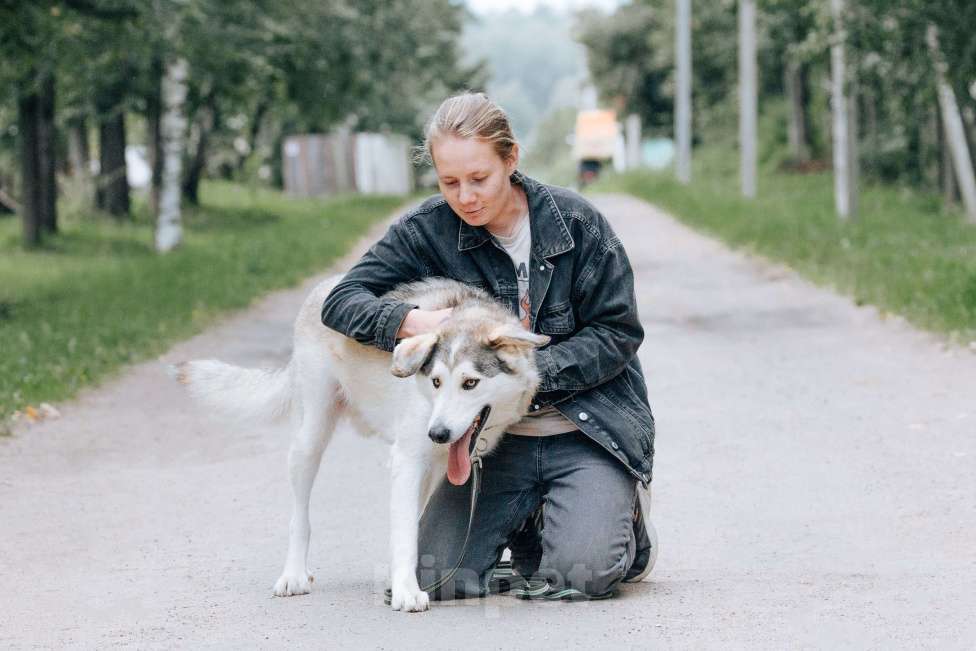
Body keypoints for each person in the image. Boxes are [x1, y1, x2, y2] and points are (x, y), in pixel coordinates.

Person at [321, 92, 655, 601]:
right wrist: (411, 319)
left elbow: (619, 332)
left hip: (584, 431)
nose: (465, 197)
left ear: (511, 159)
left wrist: (524, 373)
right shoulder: (427, 229)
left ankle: (619, 515)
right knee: (436, 579)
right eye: (449, 182)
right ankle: (524, 521)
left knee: (585, 573)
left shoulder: (577, 224)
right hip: (491, 443)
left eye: (480, 178)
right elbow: (341, 301)